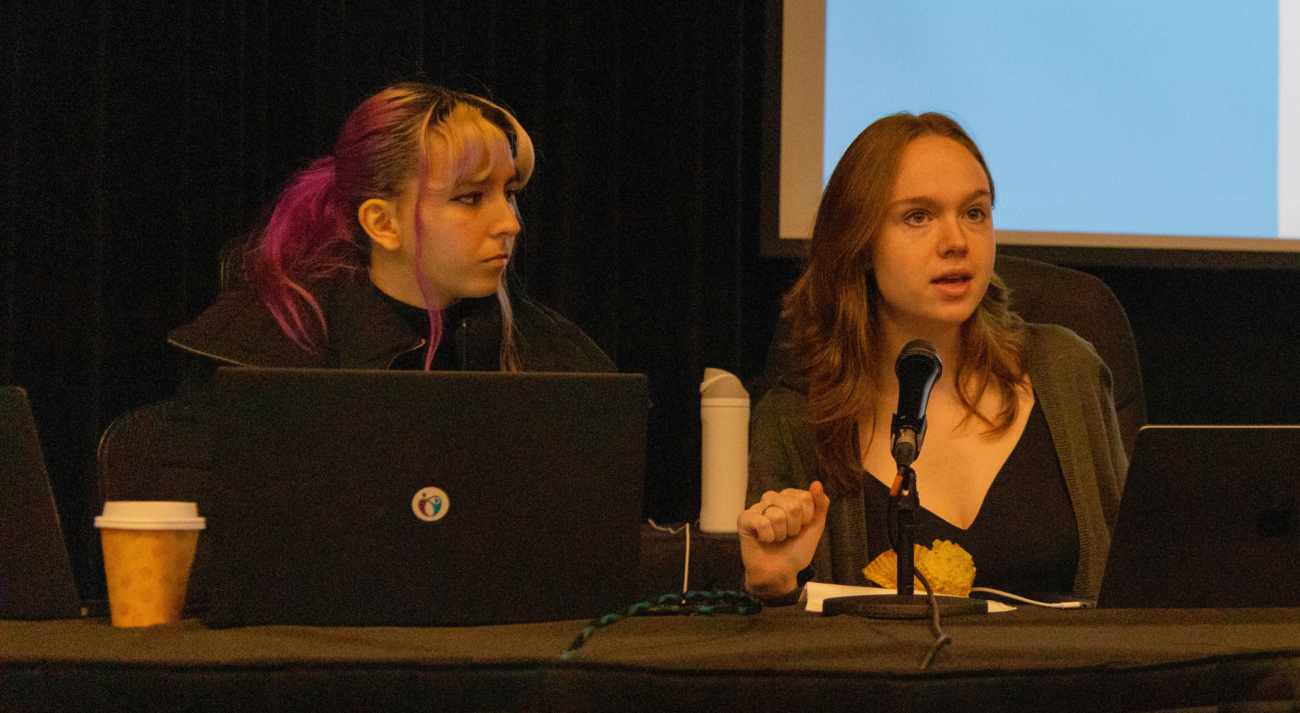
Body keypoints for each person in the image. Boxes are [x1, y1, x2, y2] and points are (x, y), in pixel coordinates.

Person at [739, 113, 1126, 605]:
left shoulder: (1067, 372)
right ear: (858, 243)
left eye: (975, 212)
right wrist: (775, 589)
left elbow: (1133, 600)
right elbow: (782, 662)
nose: (958, 242)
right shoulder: (796, 420)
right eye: (918, 217)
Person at [167, 82, 613, 376]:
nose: (510, 223)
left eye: (509, 192)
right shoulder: (261, 357)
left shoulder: (558, 362)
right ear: (383, 222)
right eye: (471, 197)